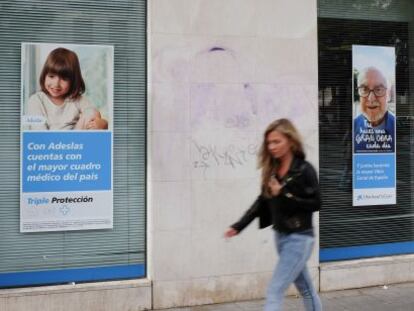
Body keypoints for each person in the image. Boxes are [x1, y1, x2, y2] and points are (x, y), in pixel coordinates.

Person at [224, 119, 322, 311]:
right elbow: (261, 202)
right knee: (307, 289)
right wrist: (238, 226)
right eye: (269, 143)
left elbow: (316, 203)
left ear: (290, 141)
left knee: (274, 291)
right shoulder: (273, 170)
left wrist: (284, 194)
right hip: (281, 236)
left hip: (299, 239)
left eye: (277, 142)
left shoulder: (304, 170)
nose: (272, 147)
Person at [27, 47, 108, 130]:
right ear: (44, 76)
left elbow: (94, 115)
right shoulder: (36, 100)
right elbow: (38, 132)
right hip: (46, 141)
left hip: (74, 140)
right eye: (51, 76)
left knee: (92, 112)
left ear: (73, 80)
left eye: (64, 79)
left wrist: (104, 124)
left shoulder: (76, 99)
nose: (56, 84)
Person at [354, 66, 395, 153]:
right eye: (364, 89)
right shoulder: (352, 129)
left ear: (388, 95)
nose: (371, 98)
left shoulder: (400, 129)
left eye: (379, 89)